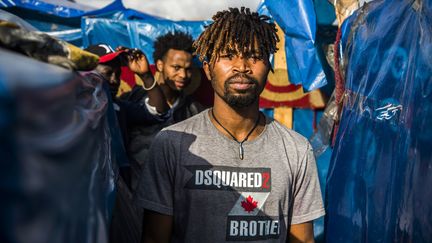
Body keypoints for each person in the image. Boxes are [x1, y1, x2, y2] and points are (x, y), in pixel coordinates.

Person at [136, 7, 325, 243]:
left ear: (269, 67)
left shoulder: (296, 150)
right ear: (207, 68)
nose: (241, 66)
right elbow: (154, 237)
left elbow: (303, 240)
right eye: (228, 55)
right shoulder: (172, 144)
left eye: (254, 56)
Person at [123, 31, 204, 185]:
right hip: (133, 195)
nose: (183, 75)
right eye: (176, 67)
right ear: (160, 65)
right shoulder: (132, 100)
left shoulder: (194, 111)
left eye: (188, 69)